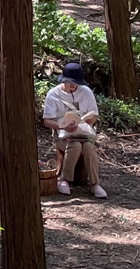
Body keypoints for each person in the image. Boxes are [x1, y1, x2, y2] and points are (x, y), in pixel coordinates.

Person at [42, 62, 107, 199]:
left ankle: (95, 184)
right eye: (70, 82)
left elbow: (94, 116)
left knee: (88, 147)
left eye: (76, 83)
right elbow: (47, 121)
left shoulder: (86, 92)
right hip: (62, 135)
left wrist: (87, 120)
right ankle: (64, 180)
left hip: (83, 133)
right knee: (75, 145)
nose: (73, 86)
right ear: (63, 80)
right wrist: (63, 126)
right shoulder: (53, 94)